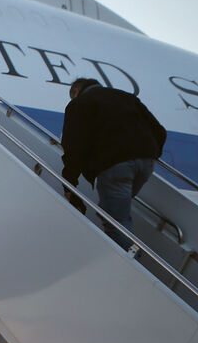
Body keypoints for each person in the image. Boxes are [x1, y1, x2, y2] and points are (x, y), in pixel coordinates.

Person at [61, 77, 167, 250]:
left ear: (76, 92)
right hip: (145, 164)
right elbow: (160, 131)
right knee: (117, 211)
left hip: (115, 166)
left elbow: (74, 146)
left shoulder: (80, 103)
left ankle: (131, 264)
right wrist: (151, 155)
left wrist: (69, 184)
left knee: (115, 221)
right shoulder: (127, 97)